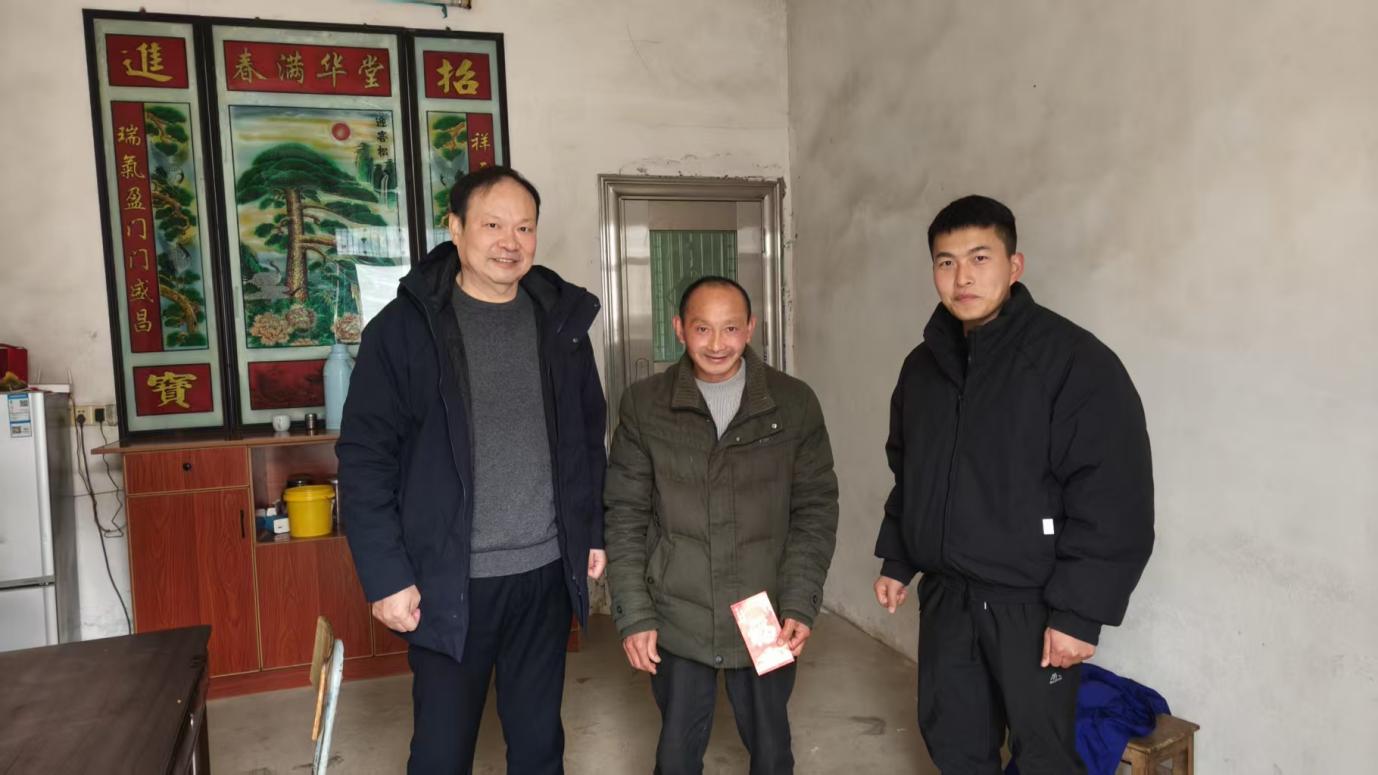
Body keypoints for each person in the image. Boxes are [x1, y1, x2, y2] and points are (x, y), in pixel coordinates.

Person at [337, 166, 607, 774]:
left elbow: (587, 437)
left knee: (540, 747)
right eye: (492, 225)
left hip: (543, 575)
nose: (510, 242)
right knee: (442, 752)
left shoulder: (560, 324)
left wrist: (591, 529)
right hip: (448, 580)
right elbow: (365, 459)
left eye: (525, 228)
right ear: (455, 228)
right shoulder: (404, 331)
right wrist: (386, 576)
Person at [873, 195, 1155, 775]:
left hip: (1031, 602)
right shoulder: (922, 368)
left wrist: (1078, 614)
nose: (963, 277)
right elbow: (911, 470)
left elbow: (1113, 496)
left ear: (1014, 265)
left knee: (1044, 755)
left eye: (980, 258)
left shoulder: (1072, 362)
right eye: (946, 262)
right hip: (949, 598)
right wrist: (898, 559)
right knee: (954, 742)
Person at [604, 276, 839, 775]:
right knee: (676, 756)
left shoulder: (792, 403)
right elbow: (624, 515)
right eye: (702, 328)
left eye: (730, 328)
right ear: (679, 329)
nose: (717, 344)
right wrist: (635, 615)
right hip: (678, 610)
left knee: (772, 751)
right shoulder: (645, 405)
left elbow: (815, 510)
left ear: (750, 328)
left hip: (764, 610)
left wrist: (800, 600)